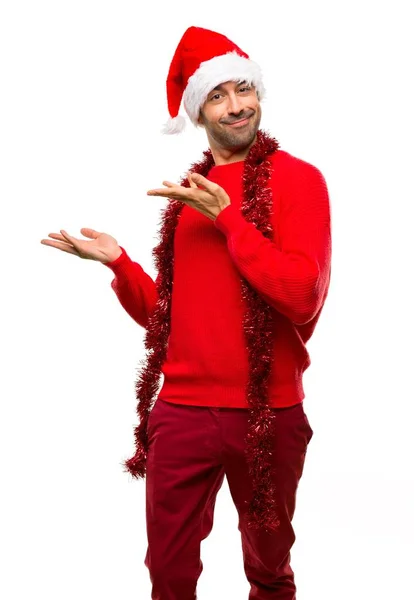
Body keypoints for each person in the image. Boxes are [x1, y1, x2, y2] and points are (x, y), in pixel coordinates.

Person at [41, 25, 332, 600]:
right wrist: (120, 264)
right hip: (180, 413)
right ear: (197, 111)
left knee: (269, 568)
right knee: (168, 572)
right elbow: (171, 320)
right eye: (217, 95)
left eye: (243, 89)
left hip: (267, 414)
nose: (236, 106)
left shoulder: (299, 180)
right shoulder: (189, 196)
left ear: (259, 95)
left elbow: (301, 298)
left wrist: (229, 220)